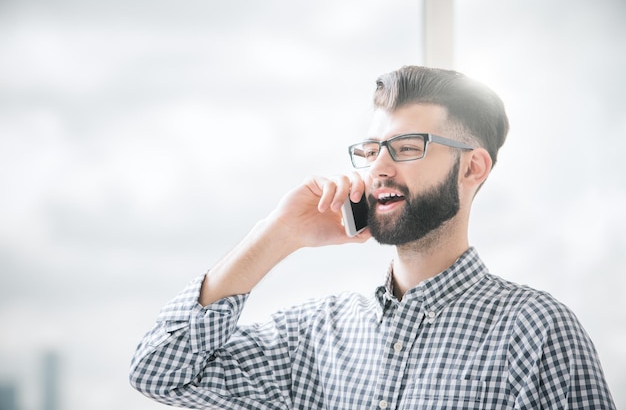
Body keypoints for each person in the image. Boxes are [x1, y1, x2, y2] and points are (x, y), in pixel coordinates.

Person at [129, 66, 616, 409]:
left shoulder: (535, 332)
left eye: (405, 148)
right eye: (370, 150)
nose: (378, 167)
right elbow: (158, 371)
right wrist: (276, 235)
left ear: (472, 166)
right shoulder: (314, 337)